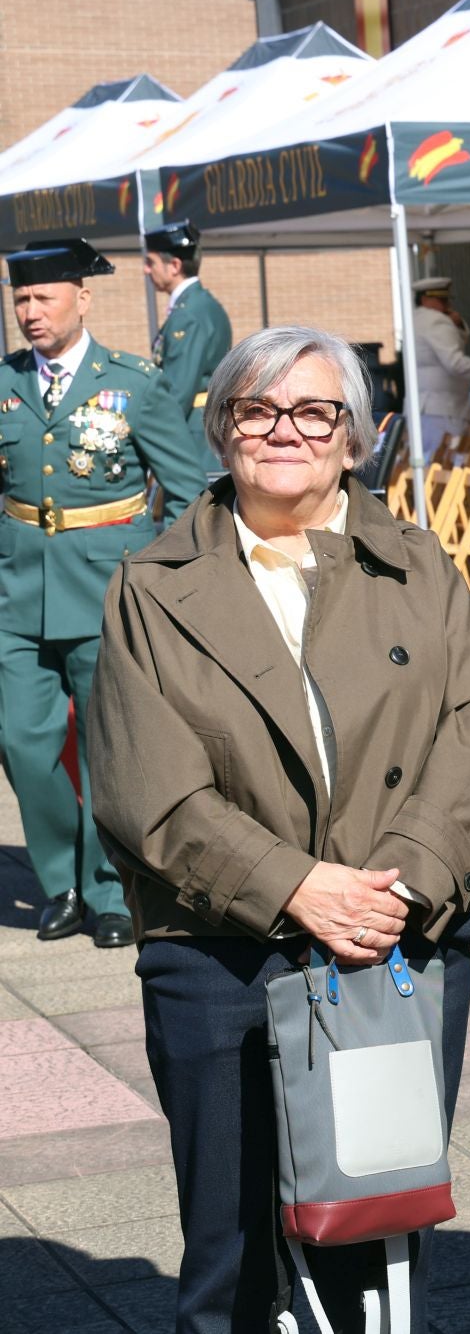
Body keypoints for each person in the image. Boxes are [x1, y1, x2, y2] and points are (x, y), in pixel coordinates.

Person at [87, 325, 470, 1333]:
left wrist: (401, 881)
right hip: (221, 955)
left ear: (355, 438)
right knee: (232, 1255)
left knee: (372, 1240)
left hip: (393, 947)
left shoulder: (418, 567)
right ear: (222, 429)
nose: (283, 429)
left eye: (314, 411)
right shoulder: (151, 588)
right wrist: (295, 886)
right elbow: (142, 785)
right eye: (257, 408)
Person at [0, 238, 204, 949]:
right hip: (16, 592)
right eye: (20, 298)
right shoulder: (4, 383)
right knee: (22, 742)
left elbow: (186, 486)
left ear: (81, 300)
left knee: (106, 750)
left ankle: (109, 889)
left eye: (43, 298)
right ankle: (58, 882)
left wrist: (152, 572)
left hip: (107, 588)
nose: (29, 312)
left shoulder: (134, 382)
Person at [142, 219, 232, 468]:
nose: (146, 271)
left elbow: (178, 391)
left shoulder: (188, 314)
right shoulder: (200, 305)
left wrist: (151, 434)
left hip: (193, 435)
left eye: (151, 262)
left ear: (174, 265)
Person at [410, 276, 470, 462]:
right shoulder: (437, 321)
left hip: (422, 407)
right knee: (445, 465)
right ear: (425, 299)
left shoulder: (414, 320)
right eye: (441, 300)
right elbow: (455, 362)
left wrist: (457, 326)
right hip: (444, 408)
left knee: (426, 465)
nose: (446, 305)